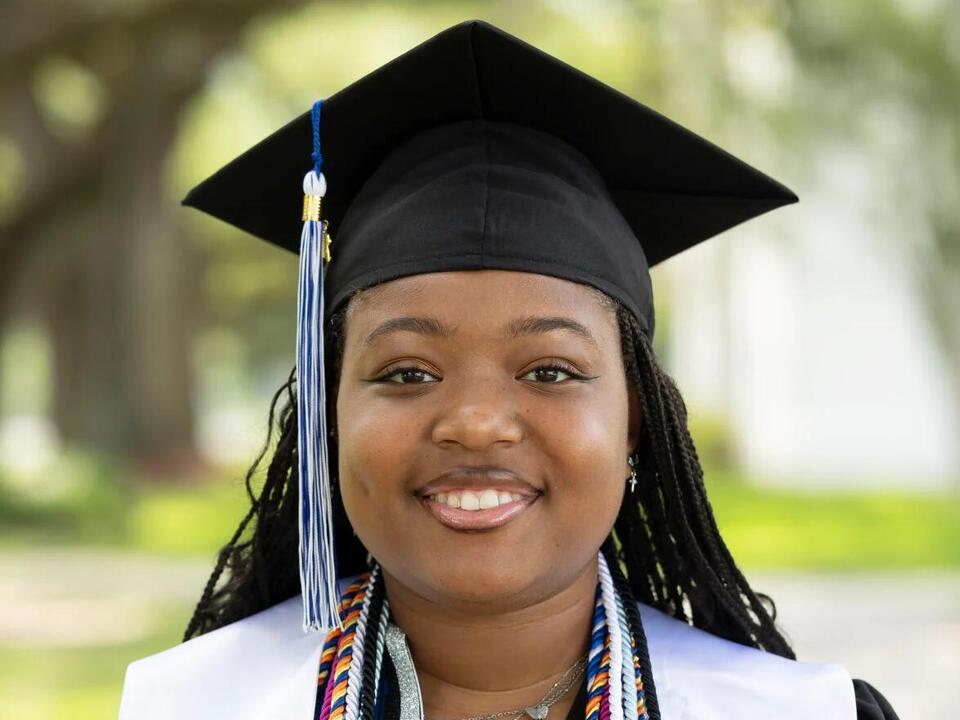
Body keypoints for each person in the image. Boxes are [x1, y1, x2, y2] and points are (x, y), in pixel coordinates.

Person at [118, 19, 900, 720]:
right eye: (407, 373)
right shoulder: (194, 704)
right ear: (329, 414)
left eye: (551, 371)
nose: (477, 422)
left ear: (635, 419)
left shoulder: (785, 713)